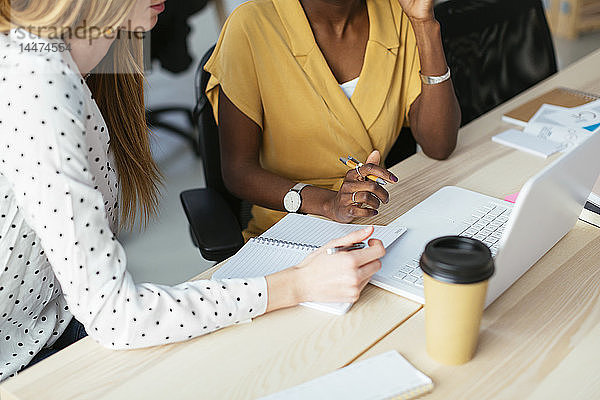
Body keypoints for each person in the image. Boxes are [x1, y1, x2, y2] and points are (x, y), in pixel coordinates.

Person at [0, 0, 385, 380]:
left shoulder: (77, 59)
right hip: (20, 364)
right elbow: (119, 318)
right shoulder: (37, 82)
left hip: (55, 326)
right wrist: (298, 284)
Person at [205, 0, 461, 240]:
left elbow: (439, 145)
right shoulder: (251, 24)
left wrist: (424, 24)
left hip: (379, 221)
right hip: (289, 232)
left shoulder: (396, 13)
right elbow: (238, 171)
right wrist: (329, 203)